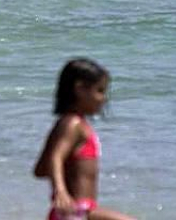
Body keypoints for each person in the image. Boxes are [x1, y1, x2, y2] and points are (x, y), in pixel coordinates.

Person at [34, 58, 132, 220]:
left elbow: (40, 170)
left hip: (75, 212)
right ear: (80, 89)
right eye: (99, 91)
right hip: (75, 212)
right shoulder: (73, 124)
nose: (103, 98)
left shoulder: (66, 124)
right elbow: (56, 157)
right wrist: (61, 191)